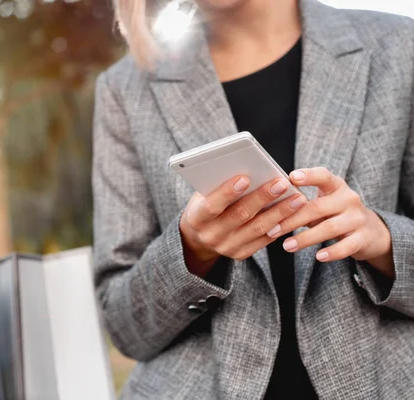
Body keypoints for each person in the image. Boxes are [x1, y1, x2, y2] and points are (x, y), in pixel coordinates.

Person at [92, 0, 414, 398]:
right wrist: (191, 250)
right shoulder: (125, 90)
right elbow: (125, 327)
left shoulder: (399, 48)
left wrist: (382, 241)